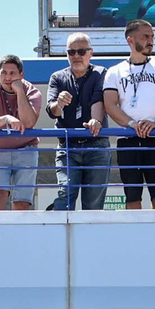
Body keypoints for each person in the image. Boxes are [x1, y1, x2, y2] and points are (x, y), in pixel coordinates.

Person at [103, 20, 155, 211]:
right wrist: (131, 123)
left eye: (152, 36)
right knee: (132, 197)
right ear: (130, 40)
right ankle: (135, 237)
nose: (150, 40)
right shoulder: (114, 71)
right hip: (128, 138)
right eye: (145, 36)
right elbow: (110, 104)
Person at [47, 33, 109, 211]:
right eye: (71, 52)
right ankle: (59, 238)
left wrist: (95, 121)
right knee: (64, 197)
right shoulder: (57, 77)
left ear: (91, 53)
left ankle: (90, 239)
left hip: (96, 144)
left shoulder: (101, 73)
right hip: (67, 146)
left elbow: (99, 100)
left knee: (93, 205)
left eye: (81, 52)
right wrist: (59, 103)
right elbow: (52, 111)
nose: (76, 56)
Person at [0, 55, 44, 211]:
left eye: (12, 73)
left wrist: (19, 92)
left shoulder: (32, 92)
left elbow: (28, 123)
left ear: (21, 75)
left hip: (26, 149)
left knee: (22, 202)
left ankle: (19, 235)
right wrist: (5, 119)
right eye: (3, 72)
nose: (7, 77)